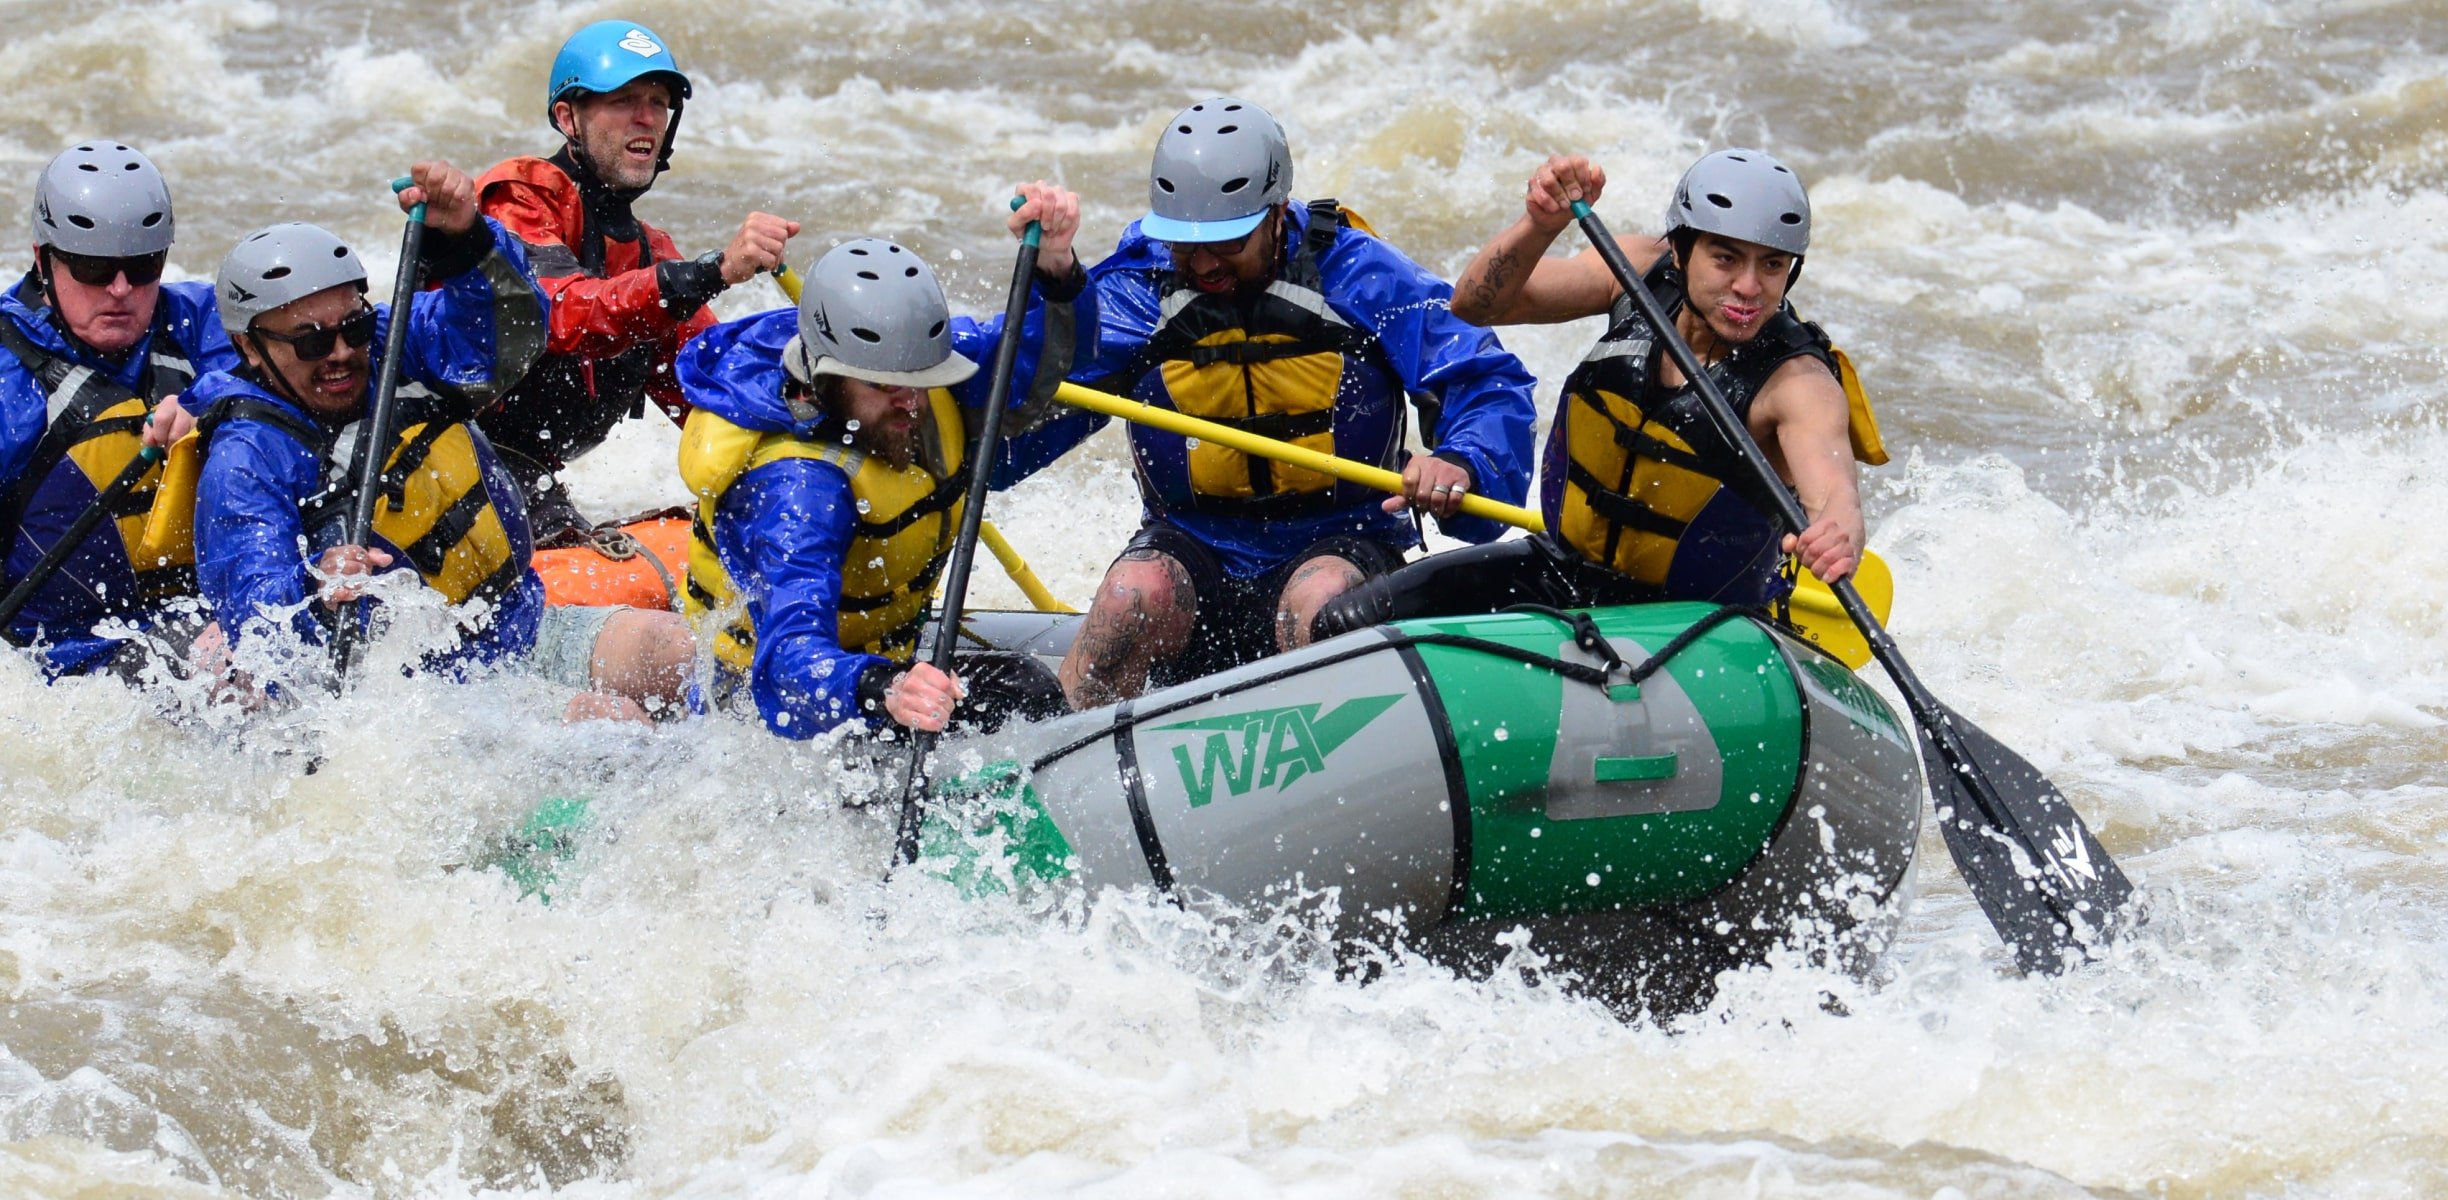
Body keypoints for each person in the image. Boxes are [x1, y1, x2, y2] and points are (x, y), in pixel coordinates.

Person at [1058, 96, 1537, 708]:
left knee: (1318, 597)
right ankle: (1060, 767)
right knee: (1131, 593)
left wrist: (1463, 460)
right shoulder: (1138, 290)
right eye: (1185, 244)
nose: (1203, 264)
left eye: (1226, 242)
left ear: (1277, 214)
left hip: (1342, 539)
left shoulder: (1361, 276)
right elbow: (1030, 389)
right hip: (1195, 549)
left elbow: (1484, 379)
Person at [184, 161, 693, 720]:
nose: (339, 354)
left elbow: (514, 332)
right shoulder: (245, 462)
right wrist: (317, 589)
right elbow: (260, 629)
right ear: (249, 346)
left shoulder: (394, 340)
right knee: (613, 723)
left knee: (683, 653)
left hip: (514, 626)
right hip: (413, 695)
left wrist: (467, 241)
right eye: (310, 342)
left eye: (350, 327)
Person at [1314, 149, 1887, 637]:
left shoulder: (1799, 382)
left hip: (1698, 627)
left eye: (1772, 265)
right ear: (1682, 250)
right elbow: (1475, 304)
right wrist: (1539, 225)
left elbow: (1835, 497)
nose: (1748, 286)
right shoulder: (1635, 270)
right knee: (1345, 624)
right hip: (1563, 572)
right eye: (1725, 257)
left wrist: (1837, 535)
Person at [677, 184, 1099, 740]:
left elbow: (1051, 369)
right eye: (887, 387)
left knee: (1025, 689)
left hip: (886, 661)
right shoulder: (795, 489)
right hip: (761, 710)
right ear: (827, 376)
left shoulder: (912, 368)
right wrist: (886, 689)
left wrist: (1056, 270)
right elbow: (791, 663)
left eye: (922, 382)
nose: (913, 402)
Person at [474, 19, 798, 537]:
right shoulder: (518, 197)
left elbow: (710, 389)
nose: (646, 118)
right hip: (437, 462)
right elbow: (559, 313)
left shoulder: (651, 254)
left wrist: (809, 447)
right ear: (568, 117)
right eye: (623, 100)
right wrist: (712, 272)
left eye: (658, 101)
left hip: (525, 481)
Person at [0, 141, 237, 681]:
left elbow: (321, 357)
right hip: (62, 671)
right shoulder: (8, 382)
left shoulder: (199, 324)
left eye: (141, 265)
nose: (120, 289)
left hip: (203, 635)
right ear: (43, 260)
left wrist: (208, 402)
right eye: (93, 267)